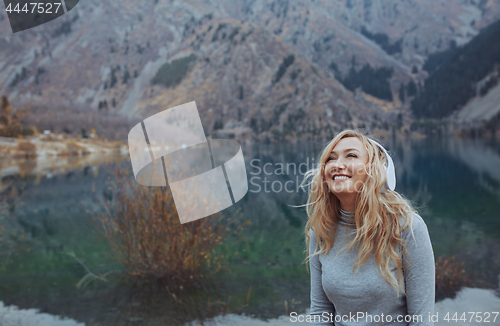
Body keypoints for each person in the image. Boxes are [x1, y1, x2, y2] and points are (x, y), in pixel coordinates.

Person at [303, 129, 435, 325]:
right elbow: (320, 311)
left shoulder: (408, 227)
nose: (337, 165)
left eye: (351, 155)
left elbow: (421, 319)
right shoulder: (320, 230)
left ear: (377, 170)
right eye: (331, 158)